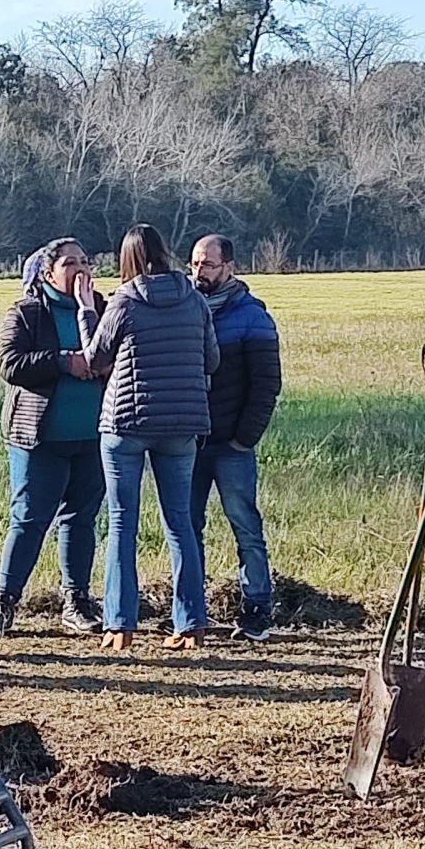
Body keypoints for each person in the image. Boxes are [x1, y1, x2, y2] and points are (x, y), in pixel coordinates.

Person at [83, 223, 219, 652]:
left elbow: (95, 358)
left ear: (128, 260)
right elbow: (211, 359)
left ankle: (120, 625)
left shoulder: (124, 300)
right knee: (180, 524)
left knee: (122, 523)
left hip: (126, 422)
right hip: (182, 424)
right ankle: (190, 623)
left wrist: (86, 313)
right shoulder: (195, 300)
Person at [0, 237, 106, 636]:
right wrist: (63, 362)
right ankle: (4, 603)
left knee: (81, 519)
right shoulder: (27, 313)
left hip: (92, 439)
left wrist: (101, 366)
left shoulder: (103, 309)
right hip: (39, 439)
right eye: (70, 262)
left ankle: (76, 602)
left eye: (85, 261)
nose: (80, 269)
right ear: (48, 272)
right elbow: (10, 363)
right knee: (29, 520)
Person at [186, 234, 283, 641]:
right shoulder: (185, 310)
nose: (198, 272)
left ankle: (258, 604)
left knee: (245, 525)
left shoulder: (252, 317)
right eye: (193, 264)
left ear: (229, 267)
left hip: (231, 445)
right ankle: (190, 607)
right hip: (188, 442)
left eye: (207, 264)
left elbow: (266, 385)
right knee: (186, 527)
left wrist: (245, 439)